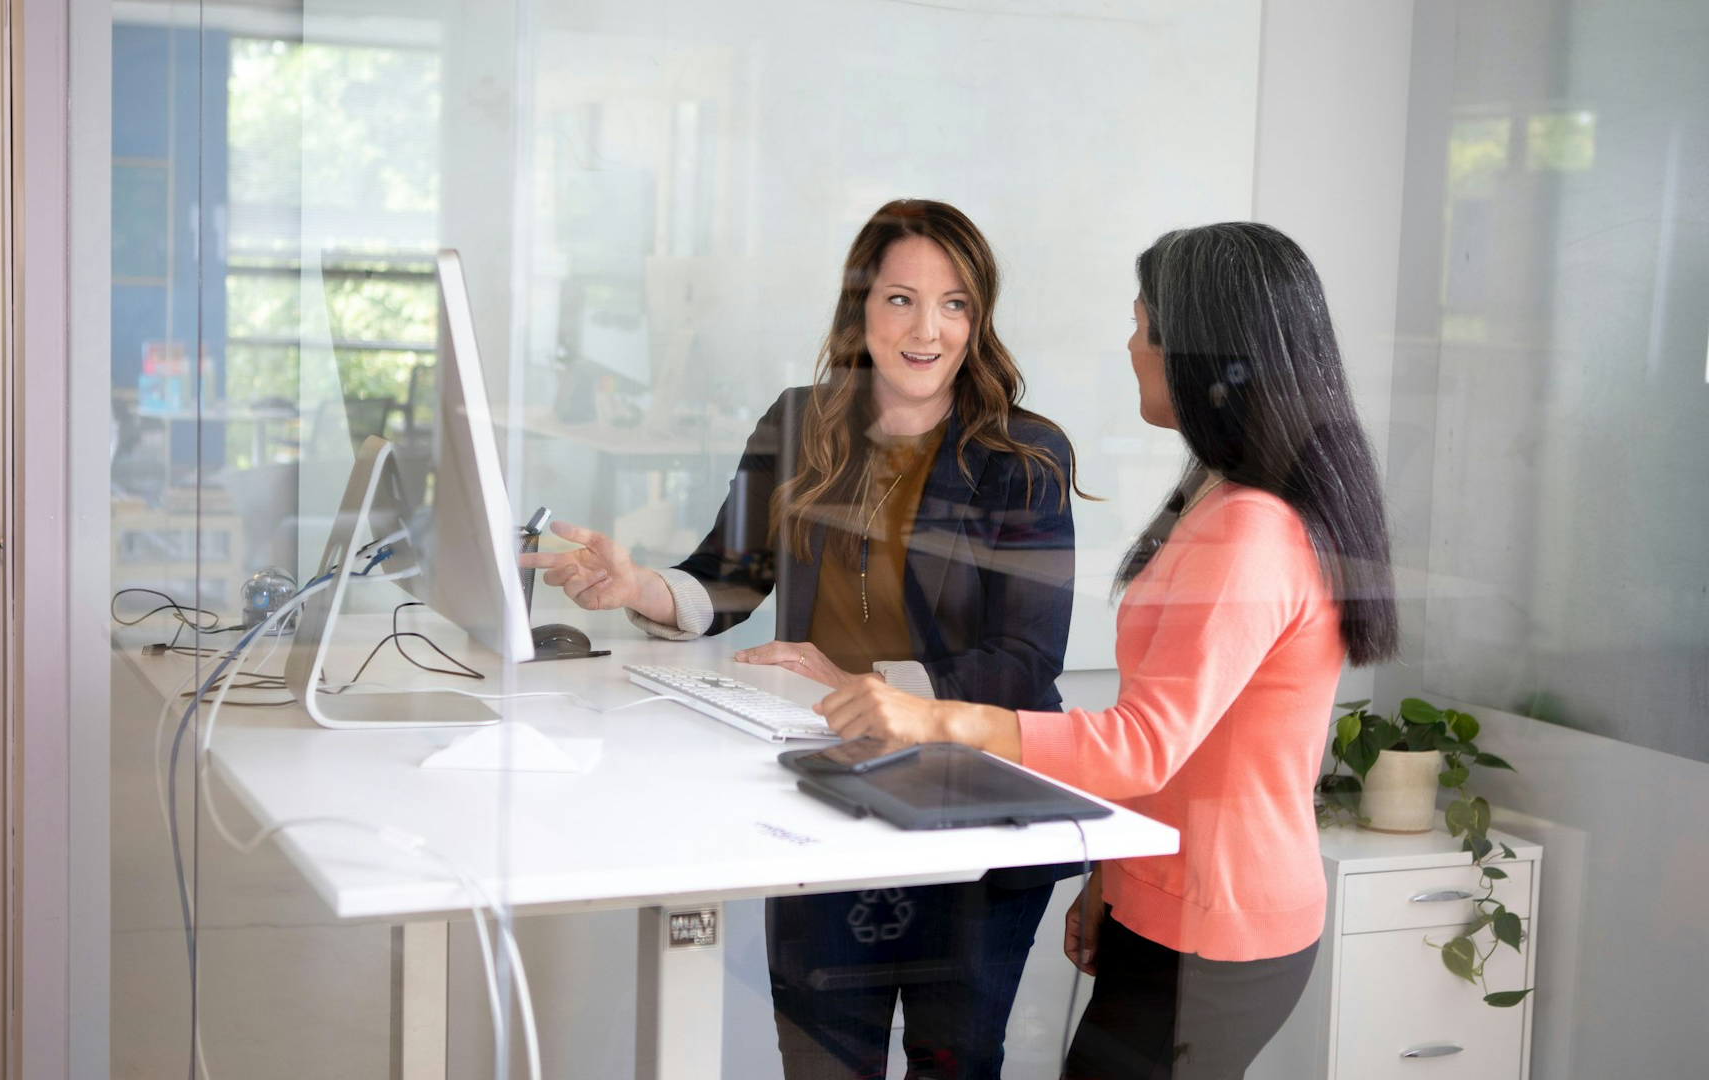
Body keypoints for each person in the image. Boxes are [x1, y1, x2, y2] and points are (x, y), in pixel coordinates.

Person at [815, 222, 1400, 1080]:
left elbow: (1143, 741)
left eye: (1143, 325)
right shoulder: (1217, 494)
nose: (1130, 345)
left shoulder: (1252, 528)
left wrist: (938, 717)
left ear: (1204, 354)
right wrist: (1115, 882)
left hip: (1215, 927)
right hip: (1166, 904)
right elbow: (1185, 747)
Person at [521, 198, 1087, 1079]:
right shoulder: (798, 423)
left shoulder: (1025, 455)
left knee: (957, 1062)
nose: (927, 329)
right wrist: (639, 587)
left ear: (980, 318)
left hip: (975, 804)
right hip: (830, 794)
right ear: (860, 308)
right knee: (824, 1060)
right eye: (901, 299)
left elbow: (1026, 662)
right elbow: (729, 578)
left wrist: (873, 681)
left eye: (955, 304)